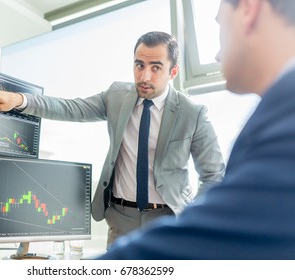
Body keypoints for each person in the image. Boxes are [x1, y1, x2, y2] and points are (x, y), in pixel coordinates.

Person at [0, 31, 225, 247]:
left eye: (156, 67)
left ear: (173, 72)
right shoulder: (117, 95)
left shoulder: (193, 113)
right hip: (120, 217)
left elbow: (213, 175)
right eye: (139, 65)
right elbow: (71, 108)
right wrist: (20, 100)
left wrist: (192, 217)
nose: (145, 76)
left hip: (169, 218)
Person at [93, 0, 295, 259]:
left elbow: (223, 227)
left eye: (222, 27)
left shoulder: (283, 119)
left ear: (249, 9)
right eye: (140, 65)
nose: (218, 56)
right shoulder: (277, 110)